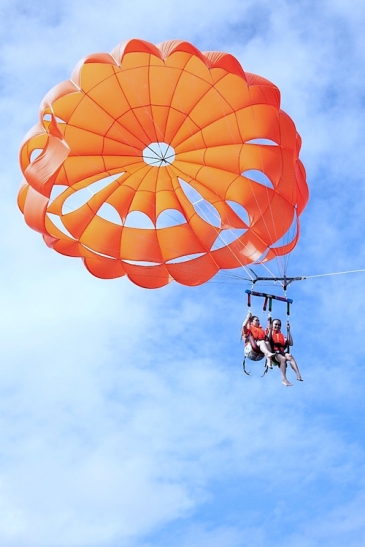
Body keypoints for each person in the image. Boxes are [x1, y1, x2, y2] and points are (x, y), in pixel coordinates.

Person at [267, 318, 303, 386]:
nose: (277, 326)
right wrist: (270, 329)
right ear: (272, 325)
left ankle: (298, 374)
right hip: (274, 353)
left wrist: (288, 330)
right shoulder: (270, 333)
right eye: (276, 324)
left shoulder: (282, 336)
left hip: (282, 352)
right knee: (283, 359)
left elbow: (291, 343)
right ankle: (284, 379)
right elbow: (268, 340)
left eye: (279, 325)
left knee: (290, 356)